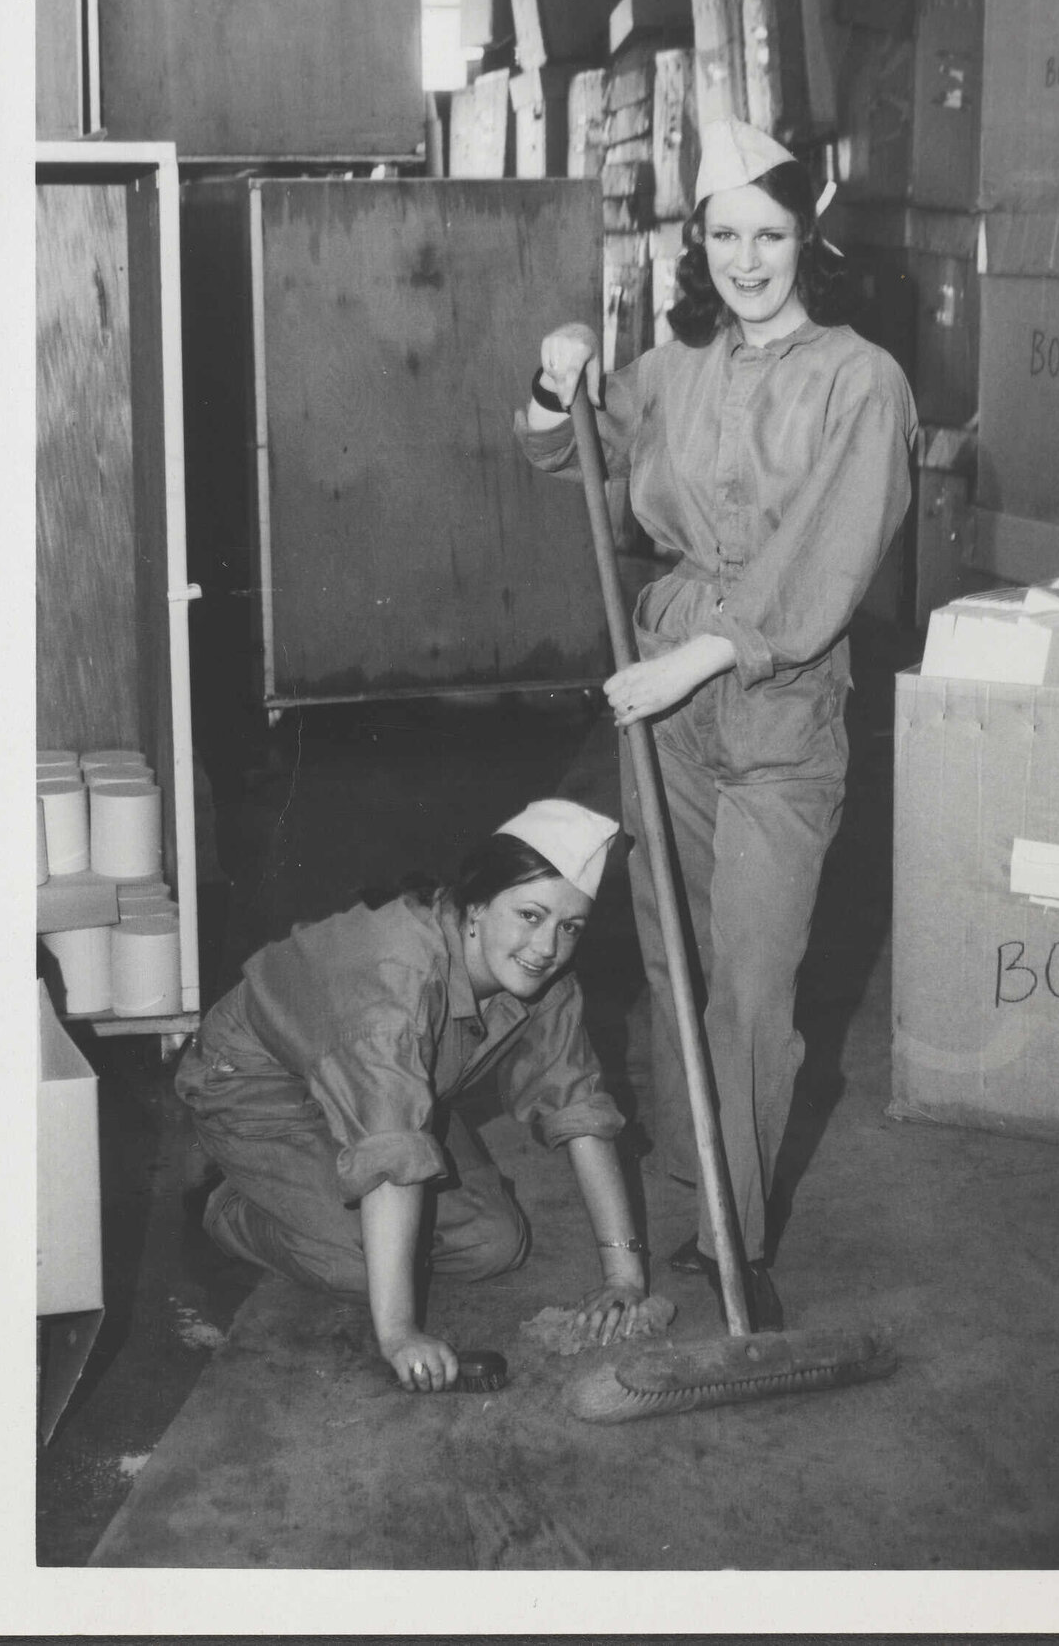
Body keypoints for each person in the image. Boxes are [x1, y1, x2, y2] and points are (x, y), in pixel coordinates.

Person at [514, 118, 917, 1331]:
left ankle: (732, 1240)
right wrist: (556, 370)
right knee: (672, 963)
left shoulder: (862, 378)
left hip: (777, 703)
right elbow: (563, 455)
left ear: (808, 237)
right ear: (699, 241)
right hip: (669, 714)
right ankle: (707, 1204)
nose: (748, 259)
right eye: (725, 233)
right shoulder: (677, 363)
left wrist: (699, 652)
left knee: (750, 977)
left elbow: (828, 555)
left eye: (771, 233)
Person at [176, 799, 648, 1390]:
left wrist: (623, 1275)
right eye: (529, 915)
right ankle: (223, 1201)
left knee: (493, 1245)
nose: (547, 947)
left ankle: (314, 1200)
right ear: (476, 905)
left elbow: (578, 1109)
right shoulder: (395, 979)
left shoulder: (545, 977)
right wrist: (399, 1333)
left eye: (569, 926)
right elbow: (394, 1150)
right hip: (261, 1084)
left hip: (396, 1085)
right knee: (361, 1266)